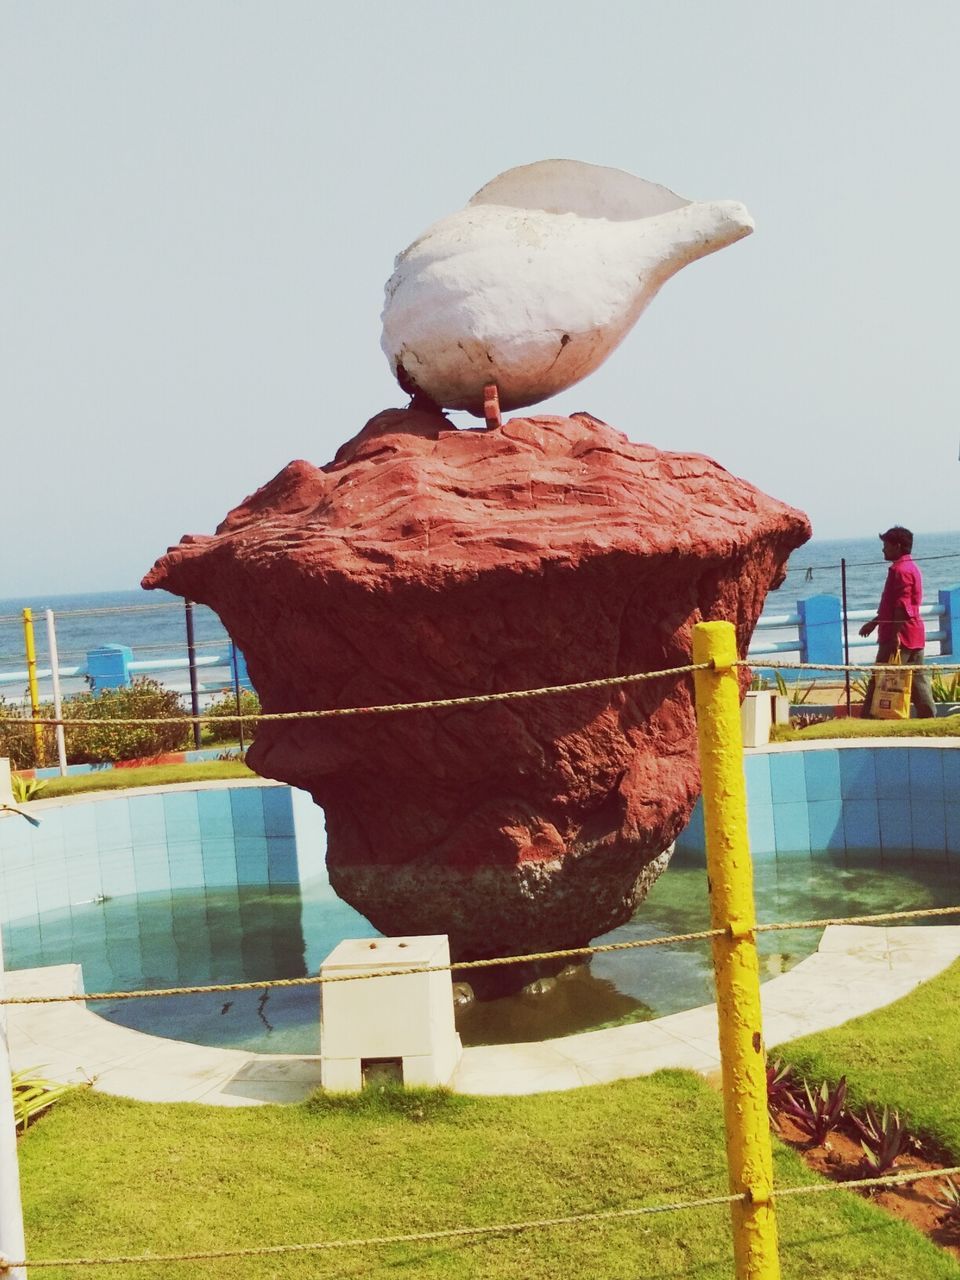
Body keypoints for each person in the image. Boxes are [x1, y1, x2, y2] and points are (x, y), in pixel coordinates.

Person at [858, 526, 935, 718]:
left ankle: (870, 717)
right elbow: (896, 606)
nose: (883, 550)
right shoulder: (909, 568)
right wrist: (875, 622)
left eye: (886, 545)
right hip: (913, 633)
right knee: (918, 679)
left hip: (900, 636)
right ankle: (928, 715)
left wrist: (894, 636)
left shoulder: (901, 570)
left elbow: (902, 606)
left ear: (897, 546)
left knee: (881, 678)